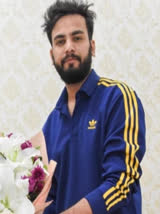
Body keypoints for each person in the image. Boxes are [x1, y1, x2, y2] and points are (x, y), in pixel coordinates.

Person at [39, 1, 146, 213]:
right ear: (52, 56)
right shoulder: (50, 125)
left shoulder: (118, 98)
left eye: (77, 38)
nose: (69, 46)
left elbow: (121, 182)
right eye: (60, 41)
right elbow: (48, 198)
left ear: (92, 46)